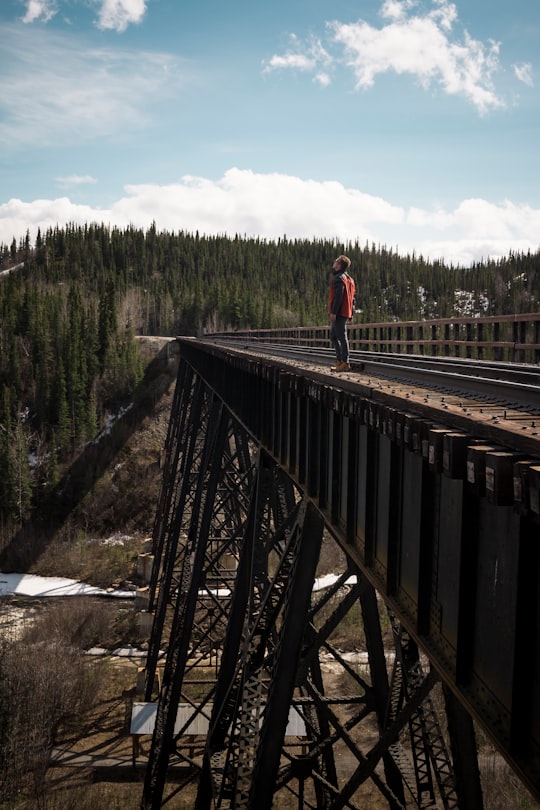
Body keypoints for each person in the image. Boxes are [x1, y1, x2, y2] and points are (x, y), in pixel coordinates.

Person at [328, 255, 355, 371]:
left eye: (336, 261)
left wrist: (334, 312)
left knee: (341, 337)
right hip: (345, 311)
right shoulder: (349, 279)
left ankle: (345, 362)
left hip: (339, 312)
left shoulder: (339, 278)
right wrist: (351, 313)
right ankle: (339, 361)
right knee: (334, 336)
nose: (334, 262)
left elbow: (339, 297)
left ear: (339, 265)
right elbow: (352, 298)